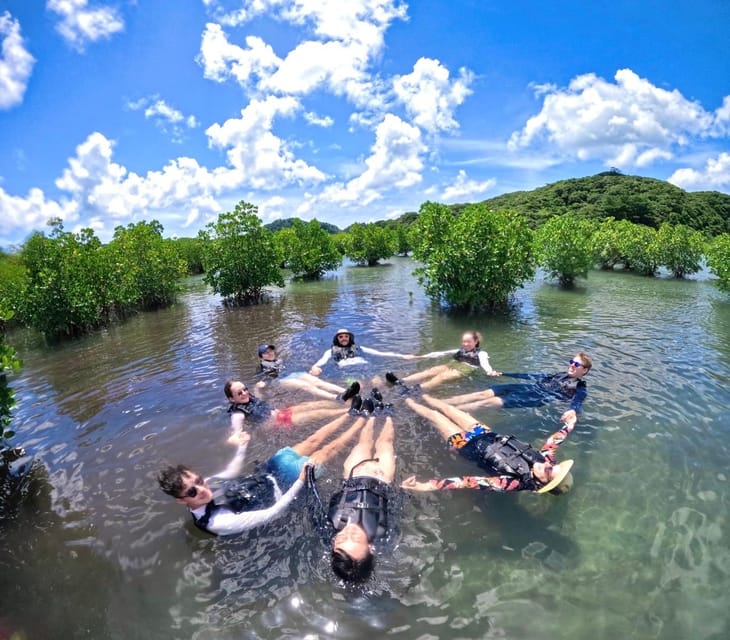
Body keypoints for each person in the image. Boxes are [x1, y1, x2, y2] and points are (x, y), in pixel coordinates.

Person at [158, 413, 366, 536]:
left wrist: (241, 448)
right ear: (181, 500)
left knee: (311, 441)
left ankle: (351, 413)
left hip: (268, 471)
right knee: (325, 452)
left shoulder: (209, 484)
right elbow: (272, 513)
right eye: (193, 491)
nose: (203, 489)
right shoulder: (217, 522)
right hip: (285, 485)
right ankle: (361, 423)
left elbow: (231, 471)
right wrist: (301, 480)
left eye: (199, 481)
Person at [401, 394, 574, 495]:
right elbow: (553, 442)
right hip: (485, 433)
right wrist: (569, 425)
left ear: (543, 483)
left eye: (549, 470)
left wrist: (426, 486)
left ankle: (406, 399)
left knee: (435, 416)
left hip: (466, 444)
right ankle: (419, 394)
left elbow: (468, 482)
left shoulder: (511, 483)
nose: (547, 464)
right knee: (449, 409)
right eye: (553, 464)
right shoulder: (545, 460)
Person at [307, 415, 399, 582]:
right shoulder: (382, 533)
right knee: (385, 444)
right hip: (381, 478)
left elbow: (313, 504)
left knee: (363, 445)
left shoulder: (329, 529)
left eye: (341, 539)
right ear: (370, 548)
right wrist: (403, 489)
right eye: (355, 538)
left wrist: (309, 479)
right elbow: (395, 506)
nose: (348, 532)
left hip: (353, 476)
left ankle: (371, 416)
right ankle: (388, 417)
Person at [440, 352, 592, 427]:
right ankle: (442, 403)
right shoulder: (559, 374)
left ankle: (444, 414)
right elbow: (531, 375)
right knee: (484, 393)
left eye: (576, 364)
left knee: (490, 402)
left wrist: (572, 410)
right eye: (572, 361)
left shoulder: (580, 387)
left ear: (584, 371)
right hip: (528, 387)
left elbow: (578, 400)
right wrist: (504, 374)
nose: (572, 365)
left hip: (535, 398)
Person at [384, 330, 500, 391]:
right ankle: (400, 382)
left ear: (475, 341)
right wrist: (418, 357)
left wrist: (490, 371)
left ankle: (415, 390)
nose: (465, 344)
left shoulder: (482, 353)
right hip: (453, 364)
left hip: (466, 369)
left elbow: (485, 364)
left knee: (442, 377)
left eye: (468, 342)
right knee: (431, 371)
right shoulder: (460, 349)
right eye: (463, 341)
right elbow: (439, 354)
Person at [224, 378, 349, 429]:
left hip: (281, 412)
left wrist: (257, 389)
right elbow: (237, 429)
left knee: (316, 404)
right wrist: (236, 436)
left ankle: (345, 401)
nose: (245, 393)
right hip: (280, 422)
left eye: (245, 389)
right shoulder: (237, 413)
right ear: (231, 399)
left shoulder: (249, 397)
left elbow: (259, 401)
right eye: (239, 393)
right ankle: (350, 411)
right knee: (320, 412)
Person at [255, 344, 353, 400]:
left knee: (318, 381)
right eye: (266, 353)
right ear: (261, 357)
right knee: (307, 386)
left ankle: (347, 392)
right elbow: (260, 378)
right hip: (281, 380)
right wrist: (261, 383)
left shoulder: (279, 360)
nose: (270, 353)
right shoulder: (261, 366)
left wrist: (311, 368)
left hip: (293, 374)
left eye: (271, 351)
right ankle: (336, 398)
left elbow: (295, 366)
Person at [308, 328, 418, 376]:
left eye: (346, 336)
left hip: (366, 367)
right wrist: (314, 367)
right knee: (358, 386)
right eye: (341, 337)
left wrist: (402, 356)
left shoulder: (360, 348)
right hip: (348, 371)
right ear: (337, 339)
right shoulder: (330, 351)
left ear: (349, 338)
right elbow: (321, 361)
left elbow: (380, 353)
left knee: (378, 383)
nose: (344, 338)